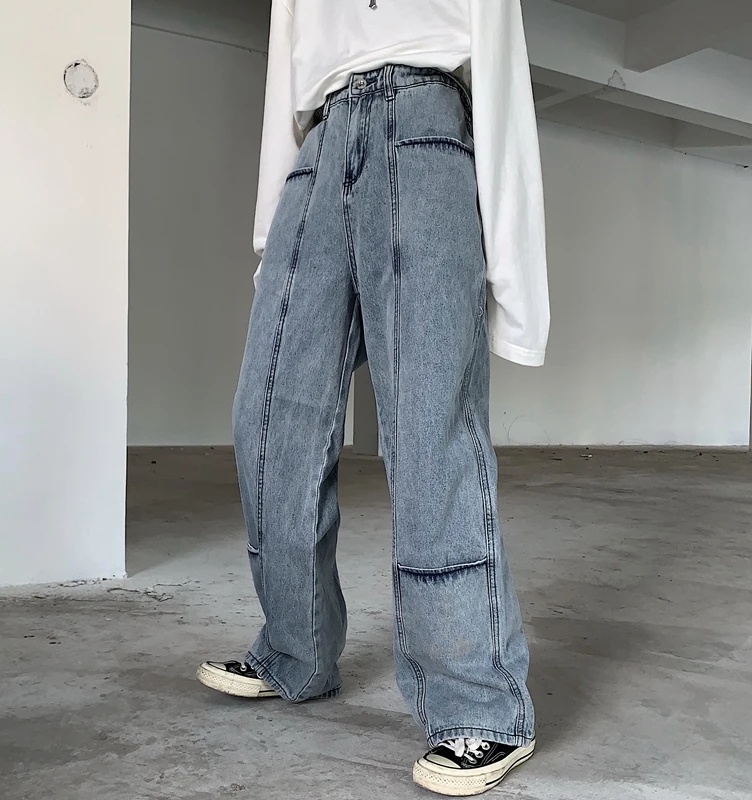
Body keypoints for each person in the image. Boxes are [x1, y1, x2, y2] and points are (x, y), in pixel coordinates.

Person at [197, 0, 549, 794]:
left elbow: (500, 75)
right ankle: (297, 650)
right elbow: (284, 86)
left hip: (427, 131)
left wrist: (519, 288)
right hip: (317, 150)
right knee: (266, 420)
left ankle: (480, 704)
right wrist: (273, 239)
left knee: (428, 430)